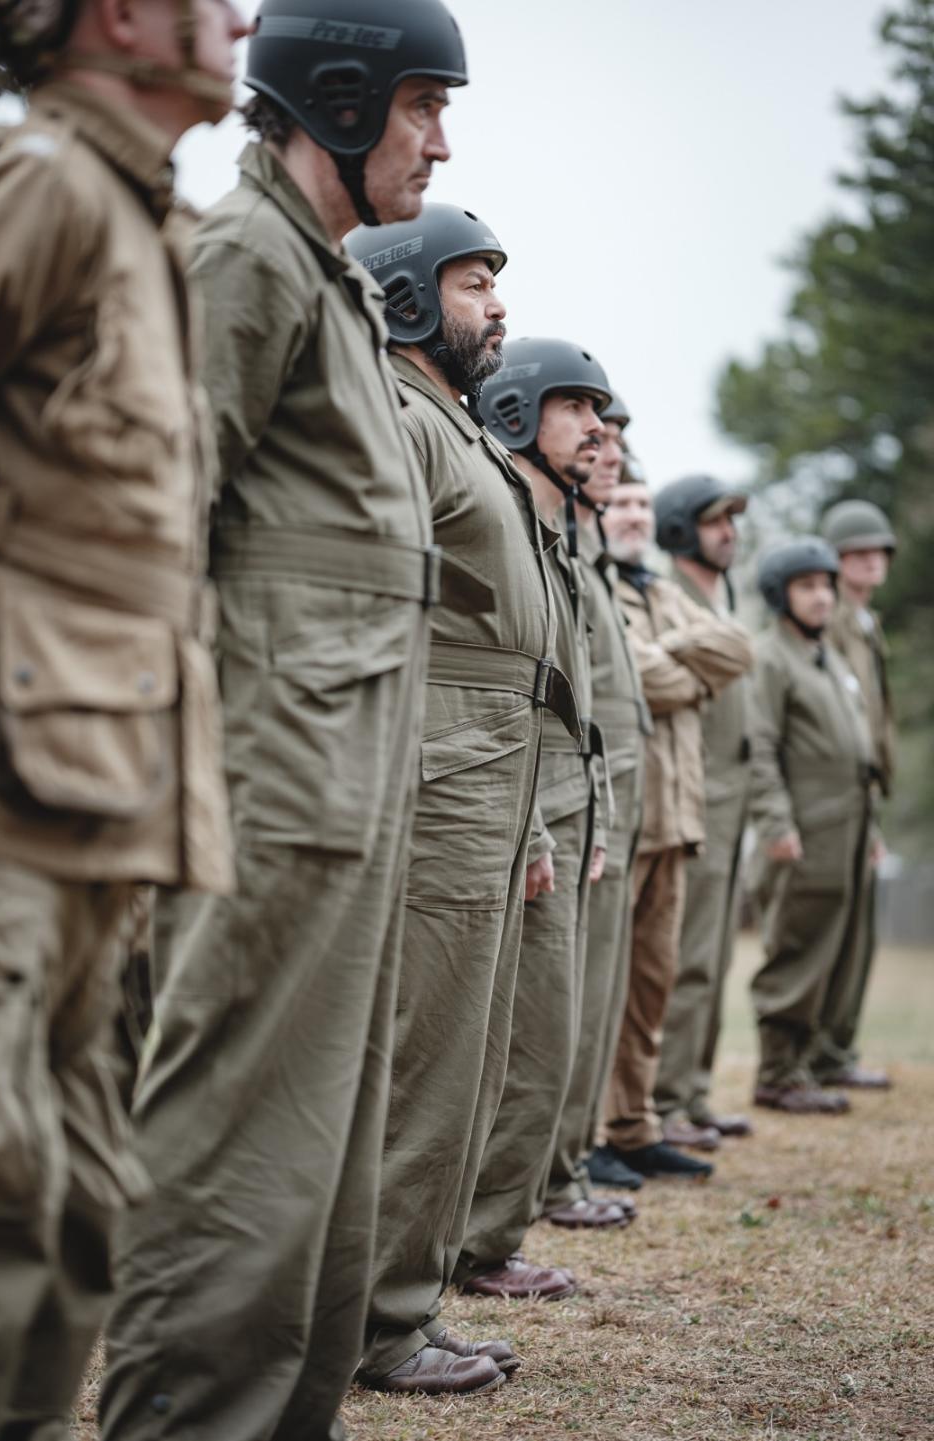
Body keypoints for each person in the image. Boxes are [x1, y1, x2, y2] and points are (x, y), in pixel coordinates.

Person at [100, 4, 470, 1439]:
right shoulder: (247, 258)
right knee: (240, 1139)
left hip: (351, 774)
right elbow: (154, 524)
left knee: (325, 1147)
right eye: (423, 104)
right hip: (271, 773)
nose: (440, 138)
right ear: (340, 97)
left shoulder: (331, 284)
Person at [0, 0, 244, 1434]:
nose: (243, 19)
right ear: (125, 15)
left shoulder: (156, 230)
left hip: (103, 785)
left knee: (74, 1202)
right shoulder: (44, 186)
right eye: (212, 0)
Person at [346, 206, 581, 1395]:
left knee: (470, 1063)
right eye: (477, 282)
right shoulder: (397, 414)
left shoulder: (454, 426)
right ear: (402, 294)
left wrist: (528, 812)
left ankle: (405, 1300)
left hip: (492, 765)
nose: (499, 306)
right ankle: (376, 1324)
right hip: (436, 766)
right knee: (424, 1062)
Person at [454, 336, 629, 1302]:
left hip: (553, 813)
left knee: (543, 1042)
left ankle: (486, 1237)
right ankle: (477, 1244)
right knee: (513, 1048)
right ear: (518, 414)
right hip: (508, 812)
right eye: (577, 408)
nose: (598, 429)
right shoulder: (507, 524)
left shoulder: (549, 532)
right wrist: (532, 825)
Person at [590, 465, 752, 1184]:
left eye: (641, 504)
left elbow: (737, 650)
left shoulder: (658, 587)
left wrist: (675, 667)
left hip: (678, 819)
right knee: (604, 985)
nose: (631, 514)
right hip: (624, 818)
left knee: (653, 984)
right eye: (621, 501)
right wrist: (690, 672)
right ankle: (585, 1133)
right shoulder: (597, 583)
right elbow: (632, 674)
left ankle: (632, 1127)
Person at [543, 397, 651, 1214]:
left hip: (601, 800)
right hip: (555, 796)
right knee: (557, 1004)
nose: (608, 452)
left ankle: (570, 1160)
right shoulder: (560, 542)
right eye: (595, 434)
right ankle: (551, 1172)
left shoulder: (589, 552)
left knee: (597, 992)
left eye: (615, 439)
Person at [749, 537, 877, 1114]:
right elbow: (760, 745)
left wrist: (869, 831)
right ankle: (777, 1072)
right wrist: (776, 821)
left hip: (846, 831)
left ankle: (813, 1060)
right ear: (782, 594)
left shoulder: (828, 658)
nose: (823, 597)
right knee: (797, 949)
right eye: (808, 586)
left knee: (836, 950)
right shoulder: (773, 658)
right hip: (804, 833)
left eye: (826, 585)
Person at [653, 475, 755, 1147]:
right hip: (694, 800)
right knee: (684, 959)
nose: (730, 532)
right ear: (684, 528)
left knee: (715, 958)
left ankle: (692, 1093)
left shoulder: (725, 597)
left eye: (732, 520)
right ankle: (663, 1100)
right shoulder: (670, 595)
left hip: (732, 801)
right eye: (717, 520)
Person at [811, 499, 898, 1090]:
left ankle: (837, 1050)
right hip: (835, 793)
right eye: (857, 553)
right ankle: (818, 1052)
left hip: (864, 791)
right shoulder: (834, 619)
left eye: (878, 551)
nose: (871, 561)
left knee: (859, 933)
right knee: (829, 933)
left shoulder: (866, 622)